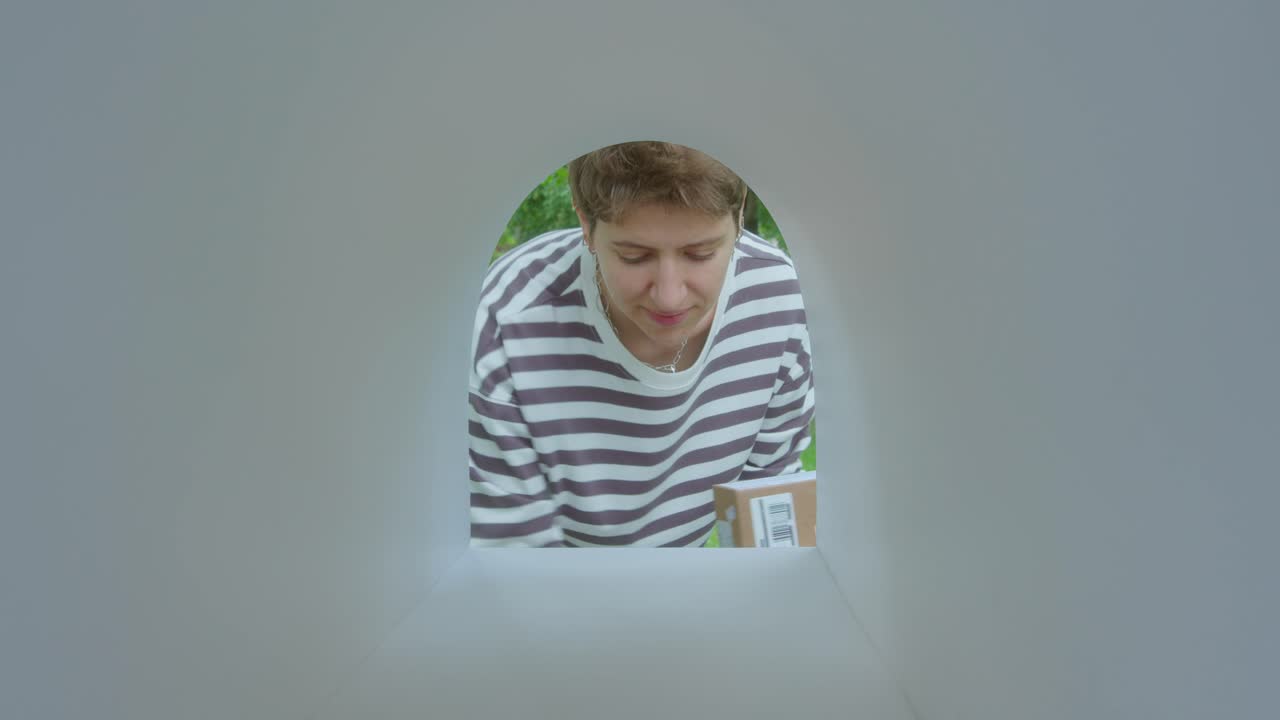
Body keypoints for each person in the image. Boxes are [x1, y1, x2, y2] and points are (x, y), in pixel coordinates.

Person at [468, 141, 814, 547]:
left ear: (739, 218)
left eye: (700, 254)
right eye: (634, 256)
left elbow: (767, 518)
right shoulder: (505, 324)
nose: (669, 296)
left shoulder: (780, 301)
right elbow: (512, 557)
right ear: (586, 225)